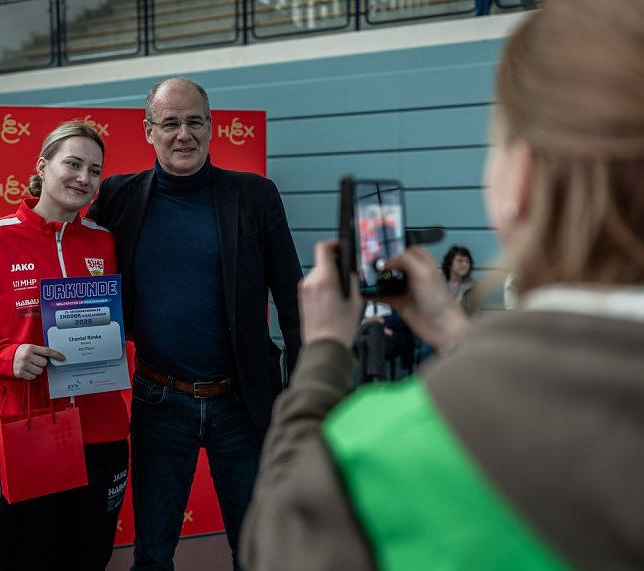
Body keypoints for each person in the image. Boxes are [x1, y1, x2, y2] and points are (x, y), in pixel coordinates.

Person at [240, 1, 644, 569]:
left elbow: (278, 542)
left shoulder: (393, 442)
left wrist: (325, 351)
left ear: (521, 181)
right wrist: (457, 333)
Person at [0, 77, 303, 571]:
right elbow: (44, 241)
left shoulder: (254, 196)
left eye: (194, 121)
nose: (184, 134)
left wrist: (303, 393)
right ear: (149, 130)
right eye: (170, 123)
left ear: (211, 127)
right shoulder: (119, 197)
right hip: (157, 400)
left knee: (260, 550)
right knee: (150, 555)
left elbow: (292, 297)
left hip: (239, 402)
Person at [0, 121, 130, 570]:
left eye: (95, 170)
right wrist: (9, 356)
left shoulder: (106, 242)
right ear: (43, 167)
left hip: (98, 437)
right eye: (73, 163)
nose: (84, 177)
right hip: (17, 437)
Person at [441, 245, 477, 315]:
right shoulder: (438, 284)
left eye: (467, 261)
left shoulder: (473, 287)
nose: (464, 264)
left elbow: (475, 315)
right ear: (450, 263)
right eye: (460, 260)